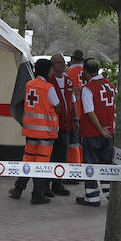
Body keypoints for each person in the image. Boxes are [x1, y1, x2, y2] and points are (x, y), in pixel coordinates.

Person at [9, 58, 60, 205]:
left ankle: (18, 189)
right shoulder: (48, 87)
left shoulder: (29, 85)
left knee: (28, 161)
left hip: (30, 131)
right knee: (41, 164)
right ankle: (37, 195)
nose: (52, 72)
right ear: (46, 70)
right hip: (45, 132)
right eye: (51, 69)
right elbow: (57, 107)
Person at [76, 58, 115, 207]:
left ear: (85, 71)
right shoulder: (109, 85)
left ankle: (92, 197)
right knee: (106, 164)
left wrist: (99, 129)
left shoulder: (88, 88)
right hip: (109, 132)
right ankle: (108, 194)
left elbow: (90, 112)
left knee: (90, 164)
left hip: (93, 133)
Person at [48, 54, 77, 193]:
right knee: (50, 155)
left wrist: (76, 118)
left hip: (66, 125)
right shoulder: (49, 81)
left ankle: (58, 184)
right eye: (59, 62)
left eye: (63, 62)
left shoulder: (69, 81)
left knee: (62, 155)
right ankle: (46, 185)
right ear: (52, 64)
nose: (62, 65)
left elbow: (73, 101)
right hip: (52, 125)